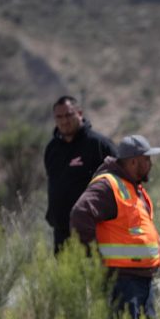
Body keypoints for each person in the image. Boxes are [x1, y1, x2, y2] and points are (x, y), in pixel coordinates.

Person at [70, 134, 160, 319]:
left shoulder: (133, 188)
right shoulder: (108, 185)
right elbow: (80, 214)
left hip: (143, 281)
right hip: (122, 282)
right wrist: (94, 256)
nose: (150, 164)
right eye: (146, 159)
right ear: (133, 162)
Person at [44, 95, 117, 254]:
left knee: (95, 277)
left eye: (69, 115)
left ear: (80, 113)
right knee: (66, 277)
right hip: (61, 232)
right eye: (59, 117)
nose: (64, 121)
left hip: (92, 230)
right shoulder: (52, 149)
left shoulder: (99, 145)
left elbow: (120, 182)